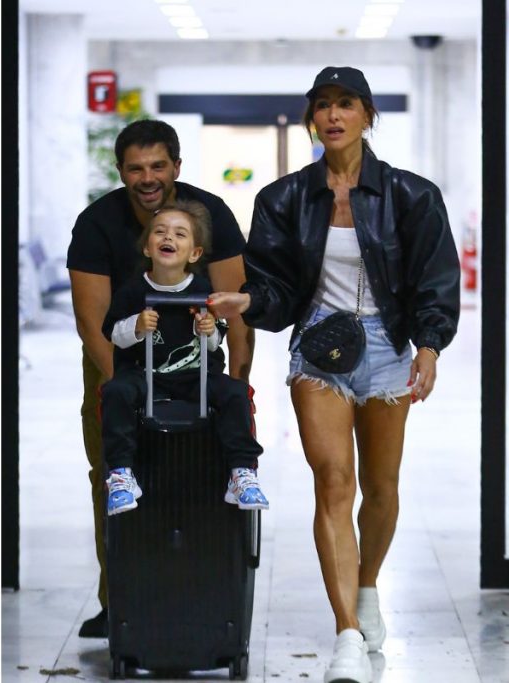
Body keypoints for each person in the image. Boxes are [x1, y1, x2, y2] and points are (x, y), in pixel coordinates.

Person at [209, 67, 459, 683]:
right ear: (311, 118)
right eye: (322, 105)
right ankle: (347, 632)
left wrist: (428, 347)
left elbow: (435, 279)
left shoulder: (413, 195)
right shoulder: (283, 198)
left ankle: (367, 584)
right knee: (333, 483)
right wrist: (250, 302)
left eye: (346, 104)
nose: (333, 115)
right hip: (319, 346)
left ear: (368, 114)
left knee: (382, 486)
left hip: (388, 344)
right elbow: (275, 288)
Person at [66, 119, 252, 638]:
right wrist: (122, 389)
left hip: (196, 367)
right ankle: (120, 601)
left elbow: (235, 310)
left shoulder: (210, 212)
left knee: (199, 474)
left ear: (176, 167)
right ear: (121, 171)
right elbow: (92, 321)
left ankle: (198, 596)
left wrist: (237, 384)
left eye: (158, 167)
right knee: (115, 474)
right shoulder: (97, 223)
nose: (147, 178)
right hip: (119, 364)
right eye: (135, 169)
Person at [101, 202, 268, 516]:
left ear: (194, 253)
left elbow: (217, 339)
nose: (169, 238)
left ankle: (241, 472)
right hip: (144, 374)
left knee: (234, 393)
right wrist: (136, 326)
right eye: (160, 232)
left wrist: (207, 330)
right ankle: (121, 474)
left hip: (195, 376)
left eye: (180, 234)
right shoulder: (132, 291)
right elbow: (111, 332)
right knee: (116, 392)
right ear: (148, 247)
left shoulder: (203, 290)